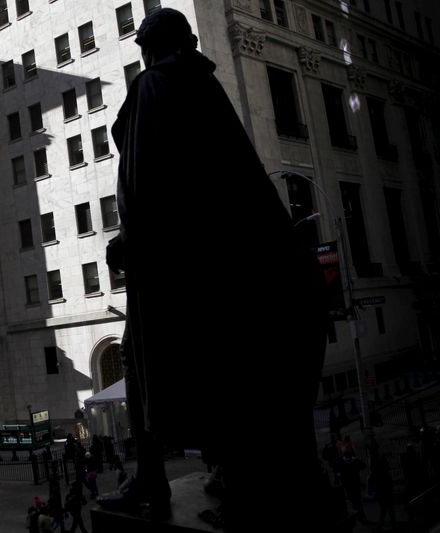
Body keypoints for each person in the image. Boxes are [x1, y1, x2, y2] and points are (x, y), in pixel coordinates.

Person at [101, 7, 327, 529]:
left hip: (178, 266)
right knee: (232, 370)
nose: (142, 56)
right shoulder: (205, 87)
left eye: (142, 47)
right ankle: (233, 474)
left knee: (143, 366)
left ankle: (155, 478)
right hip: (231, 259)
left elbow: (144, 180)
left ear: (149, 48)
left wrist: (131, 243)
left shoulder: (155, 85)